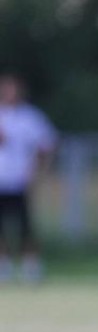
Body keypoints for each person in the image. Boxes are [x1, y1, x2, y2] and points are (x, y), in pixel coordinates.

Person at [0, 72, 58, 283]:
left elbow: (47, 144)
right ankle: (3, 267)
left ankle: (30, 267)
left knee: (26, 226)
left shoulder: (30, 117)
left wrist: (38, 171)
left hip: (20, 180)